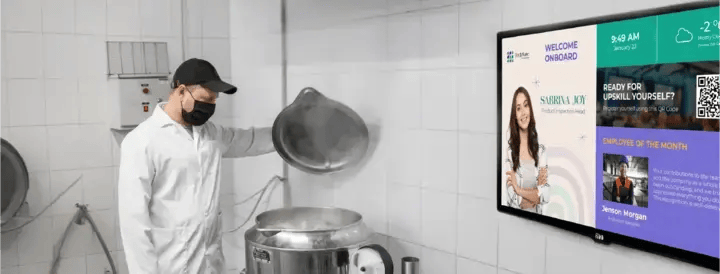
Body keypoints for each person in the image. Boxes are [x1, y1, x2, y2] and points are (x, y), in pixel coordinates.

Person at [117, 58, 276, 274]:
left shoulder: (211, 134)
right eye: (205, 99)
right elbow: (133, 223)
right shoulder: (142, 141)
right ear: (181, 91)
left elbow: (249, 140)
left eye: (214, 101)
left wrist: (288, 132)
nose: (210, 107)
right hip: (169, 265)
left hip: (211, 263)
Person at [505, 86, 550, 214]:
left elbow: (545, 195)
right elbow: (514, 200)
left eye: (526, 105)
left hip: (539, 221)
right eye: (518, 108)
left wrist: (519, 190)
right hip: (515, 220)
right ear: (514, 115)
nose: (524, 112)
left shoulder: (540, 151)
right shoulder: (509, 153)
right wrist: (535, 195)